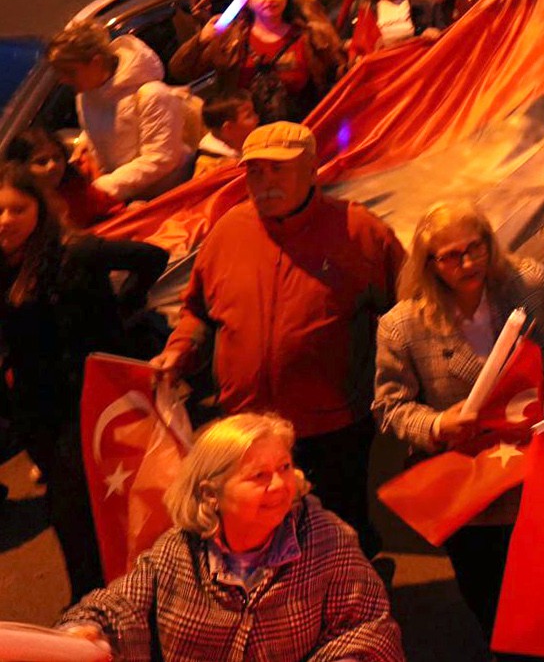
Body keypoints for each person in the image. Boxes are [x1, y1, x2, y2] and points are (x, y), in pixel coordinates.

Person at [152, 122, 406, 560]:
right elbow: (198, 311)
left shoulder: (360, 232)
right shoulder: (229, 230)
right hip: (245, 427)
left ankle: (359, 610)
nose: (264, 183)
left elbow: (408, 312)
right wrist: (181, 349)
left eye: (278, 170)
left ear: (312, 170)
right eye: (255, 173)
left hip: (331, 428)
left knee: (340, 533)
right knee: (258, 533)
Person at [374, 201, 544, 632]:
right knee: (487, 595)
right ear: (430, 264)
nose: (468, 262)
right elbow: (388, 407)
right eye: (451, 256)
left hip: (531, 469)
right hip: (466, 481)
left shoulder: (526, 285)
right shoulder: (402, 326)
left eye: (476, 247)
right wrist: (436, 425)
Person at [55, 412, 404, 662]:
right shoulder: (179, 550)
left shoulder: (328, 540)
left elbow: (368, 629)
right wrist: (85, 631)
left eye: (284, 467)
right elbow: (119, 607)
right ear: (211, 493)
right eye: (259, 476)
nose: (281, 484)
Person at [0, 161, 168, 600]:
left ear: (38, 209)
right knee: (68, 505)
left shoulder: (75, 252)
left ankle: (101, 596)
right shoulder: (3, 267)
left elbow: (152, 258)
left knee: (83, 505)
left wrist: (122, 309)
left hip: (90, 398)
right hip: (37, 409)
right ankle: (99, 595)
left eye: (16, 209)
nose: (5, 220)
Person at [170, 0, 345, 123]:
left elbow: (337, 78)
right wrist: (201, 39)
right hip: (244, 139)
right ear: (248, 0)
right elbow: (180, 71)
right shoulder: (231, 38)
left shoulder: (307, 37)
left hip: (297, 135)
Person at [46, 21, 193, 204]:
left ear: (96, 62)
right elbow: (107, 129)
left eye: (70, 72)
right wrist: (84, 148)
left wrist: (102, 188)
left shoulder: (152, 94)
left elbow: (161, 158)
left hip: (171, 200)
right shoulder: (85, 97)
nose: (63, 80)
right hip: (123, 201)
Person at [194, 91, 259, 176]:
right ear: (228, 128)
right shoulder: (211, 172)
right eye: (249, 116)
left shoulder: (249, 142)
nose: (257, 118)